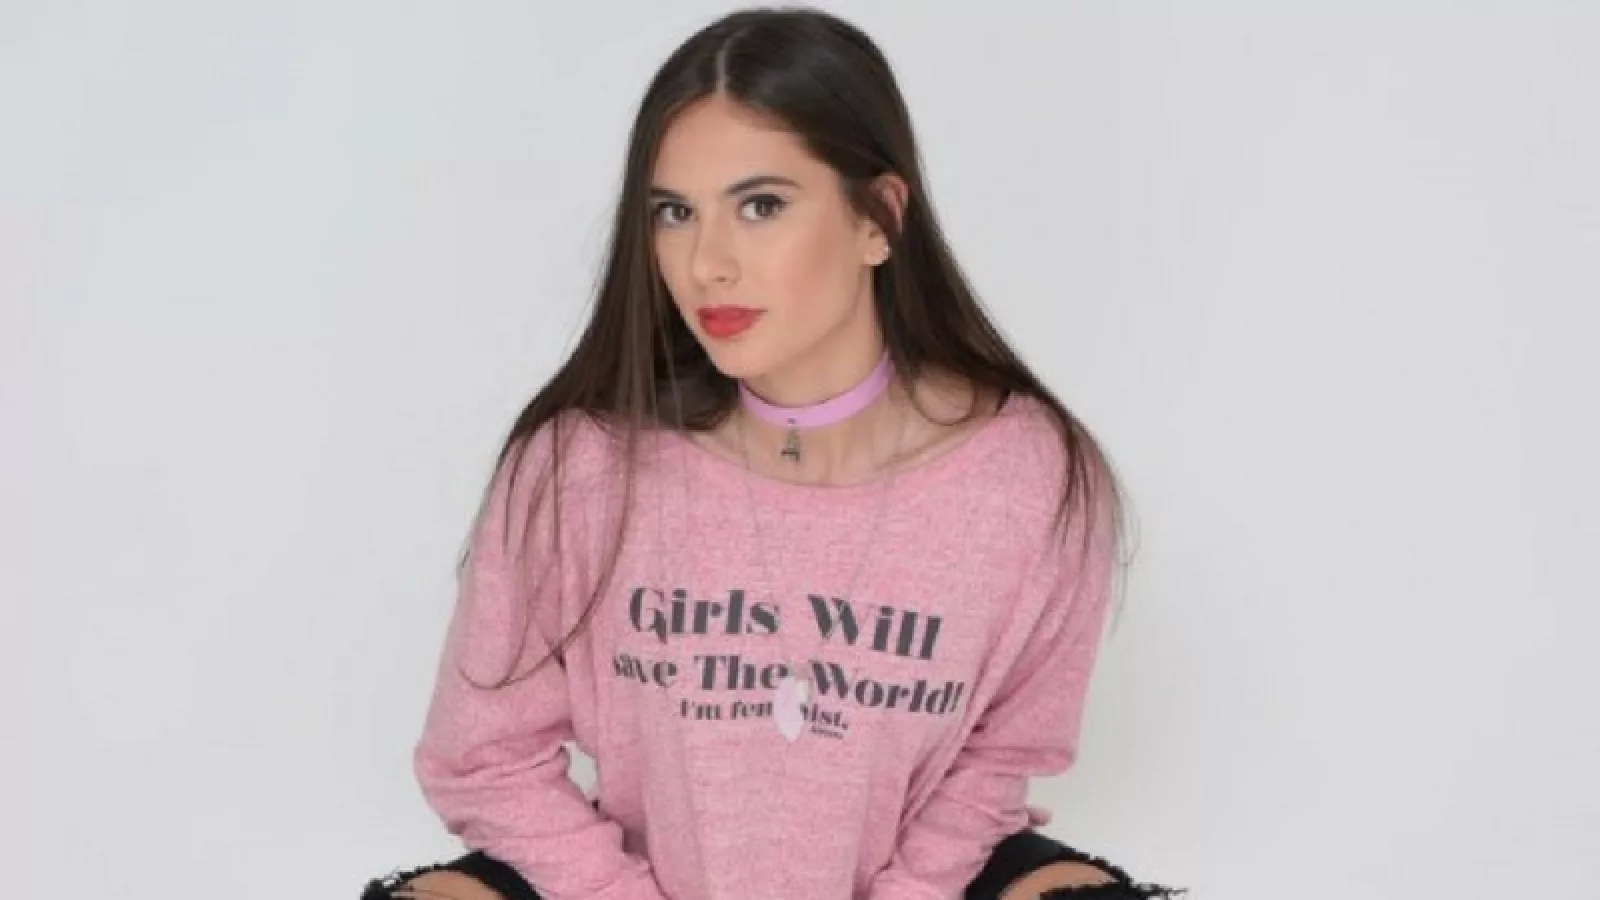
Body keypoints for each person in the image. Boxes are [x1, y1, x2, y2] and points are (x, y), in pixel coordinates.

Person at [361, 6, 1183, 900]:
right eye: (675, 213)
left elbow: (998, 759)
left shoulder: (1028, 476)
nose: (706, 263)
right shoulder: (579, 468)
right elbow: (483, 759)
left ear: (879, 218)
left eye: (761, 206)